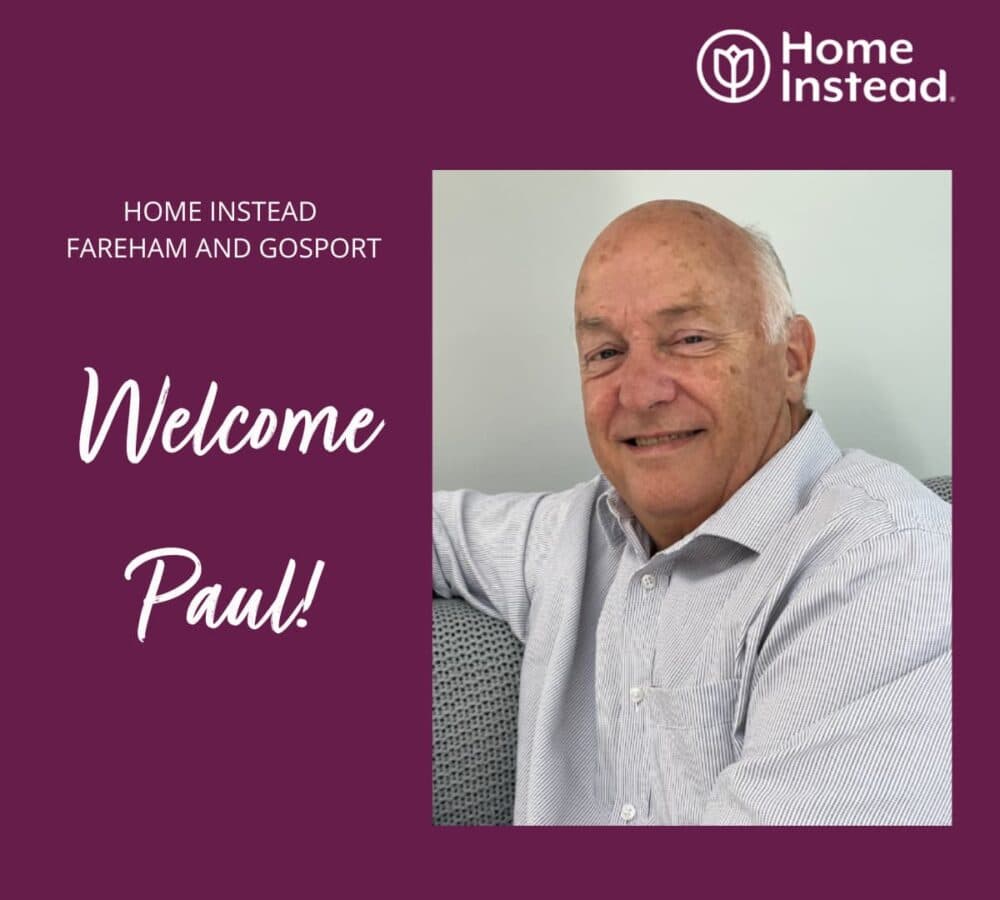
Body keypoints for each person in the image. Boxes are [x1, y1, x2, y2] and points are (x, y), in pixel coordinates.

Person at [432, 200, 951, 826]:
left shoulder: (889, 565)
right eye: (604, 353)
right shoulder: (575, 531)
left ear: (791, 358)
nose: (640, 391)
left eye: (690, 340)